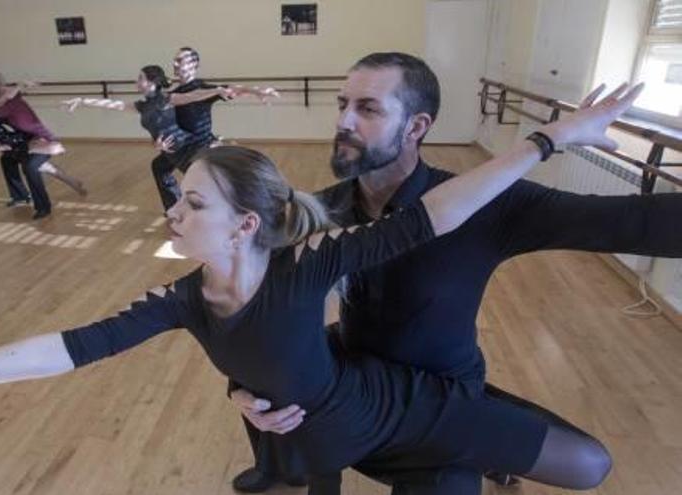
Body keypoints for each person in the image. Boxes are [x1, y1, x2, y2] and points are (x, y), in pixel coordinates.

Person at [0, 84, 645, 495]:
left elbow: (441, 211)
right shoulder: (181, 303)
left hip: (405, 407)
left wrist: (551, 138)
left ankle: (485, 450)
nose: (173, 208)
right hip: (305, 443)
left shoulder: (308, 264)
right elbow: (63, 349)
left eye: (192, 200)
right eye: (178, 195)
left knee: (593, 466)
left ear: (245, 225)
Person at [229, 53, 682, 495]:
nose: (344, 121)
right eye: (342, 104)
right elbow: (260, 302)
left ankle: (480, 448)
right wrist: (241, 390)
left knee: (587, 465)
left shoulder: (484, 204)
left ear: (416, 127)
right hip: (358, 386)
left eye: (367, 108)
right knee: (277, 391)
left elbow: (629, 220)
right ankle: (281, 466)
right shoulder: (324, 209)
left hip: (445, 394)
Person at [63, 65, 247, 209]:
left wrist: (217, 91)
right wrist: (82, 101)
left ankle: (239, 206)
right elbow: (113, 104)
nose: (136, 81)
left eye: (140, 78)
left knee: (209, 186)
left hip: (186, 148)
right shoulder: (141, 106)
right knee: (160, 168)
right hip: (170, 152)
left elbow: (194, 96)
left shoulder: (167, 98)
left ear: (152, 82)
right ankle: (174, 209)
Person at [143, 47, 279, 211]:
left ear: (194, 64)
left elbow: (231, 89)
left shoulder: (203, 88)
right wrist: (156, 143)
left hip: (200, 147)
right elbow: (160, 124)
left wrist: (256, 91)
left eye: (180, 61)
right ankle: (174, 209)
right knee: (159, 166)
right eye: (175, 60)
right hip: (181, 147)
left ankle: (244, 206)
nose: (174, 64)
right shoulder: (173, 94)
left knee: (212, 181)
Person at [0, 87, 87, 197]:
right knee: (43, 166)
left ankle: (60, 171)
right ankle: (73, 182)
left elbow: (5, 99)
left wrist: (20, 85)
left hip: (18, 140)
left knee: (36, 166)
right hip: (11, 146)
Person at [0, 71, 57, 219]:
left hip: (43, 141)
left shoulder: (10, 102)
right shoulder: (2, 103)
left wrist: (19, 86)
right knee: (7, 159)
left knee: (30, 166)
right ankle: (20, 196)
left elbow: (4, 101)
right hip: (25, 143)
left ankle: (43, 207)